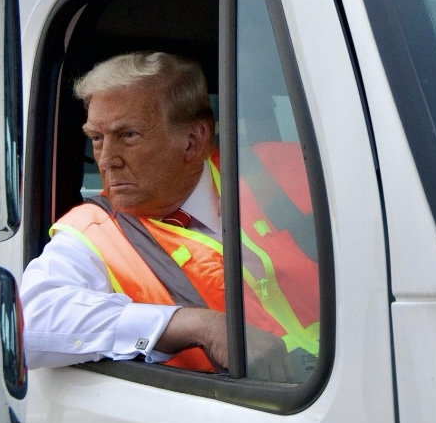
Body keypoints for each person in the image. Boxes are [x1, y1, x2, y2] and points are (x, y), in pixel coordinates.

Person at [21, 51, 319, 375]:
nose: (106, 160)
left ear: (193, 140)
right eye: (96, 138)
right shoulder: (92, 232)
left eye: (128, 135)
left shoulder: (287, 169)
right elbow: (28, 324)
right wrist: (195, 325)